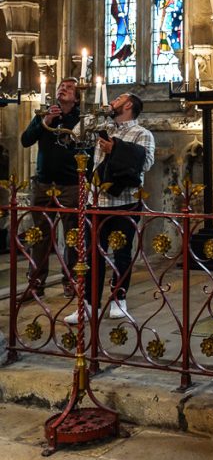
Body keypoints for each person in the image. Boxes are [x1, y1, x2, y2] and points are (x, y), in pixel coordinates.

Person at [65, 91, 154, 324]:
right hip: (96, 201)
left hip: (124, 201)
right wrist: (93, 112)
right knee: (92, 254)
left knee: (121, 252)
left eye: (118, 99)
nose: (112, 101)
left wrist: (115, 150)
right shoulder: (102, 126)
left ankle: (118, 300)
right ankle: (88, 304)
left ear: (129, 105)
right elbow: (75, 135)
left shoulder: (142, 133)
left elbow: (145, 163)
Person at [19, 78, 83, 298]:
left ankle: (71, 280)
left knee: (73, 236)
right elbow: (25, 140)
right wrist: (45, 119)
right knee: (39, 236)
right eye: (61, 87)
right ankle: (36, 283)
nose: (62, 89)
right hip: (45, 183)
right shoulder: (43, 115)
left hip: (70, 184)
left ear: (76, 98)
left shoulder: (81, 118)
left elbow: (89, 149)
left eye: (69, 88)